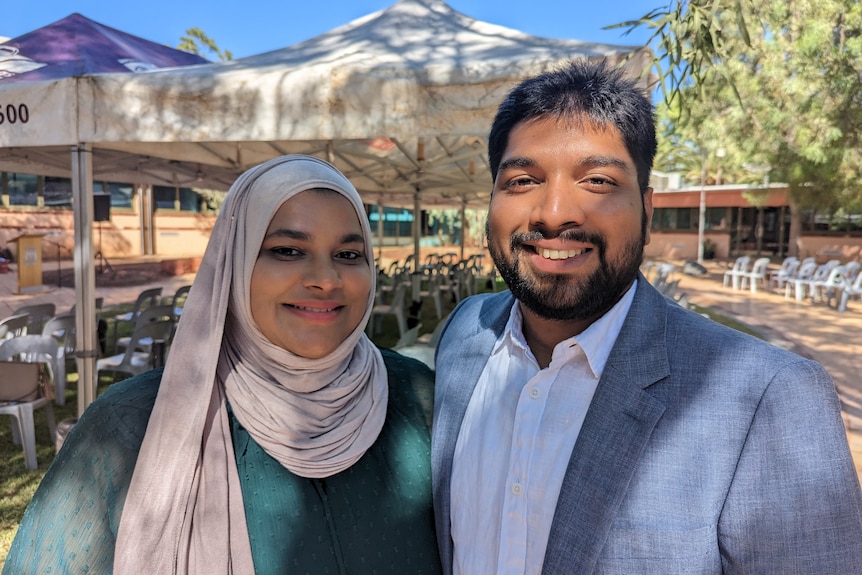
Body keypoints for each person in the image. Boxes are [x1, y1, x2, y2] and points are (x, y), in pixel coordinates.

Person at [431, 59, 862, 574]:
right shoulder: (464, 333)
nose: (553, 212)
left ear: (647, 210)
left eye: (596, 180)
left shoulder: (767, 398)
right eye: (522, 180)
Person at [4, 155, 442, 574]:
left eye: (349, 255)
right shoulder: (131, 427)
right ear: (232, 263)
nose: (325, 279)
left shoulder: (417, 398)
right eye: (288, 250)